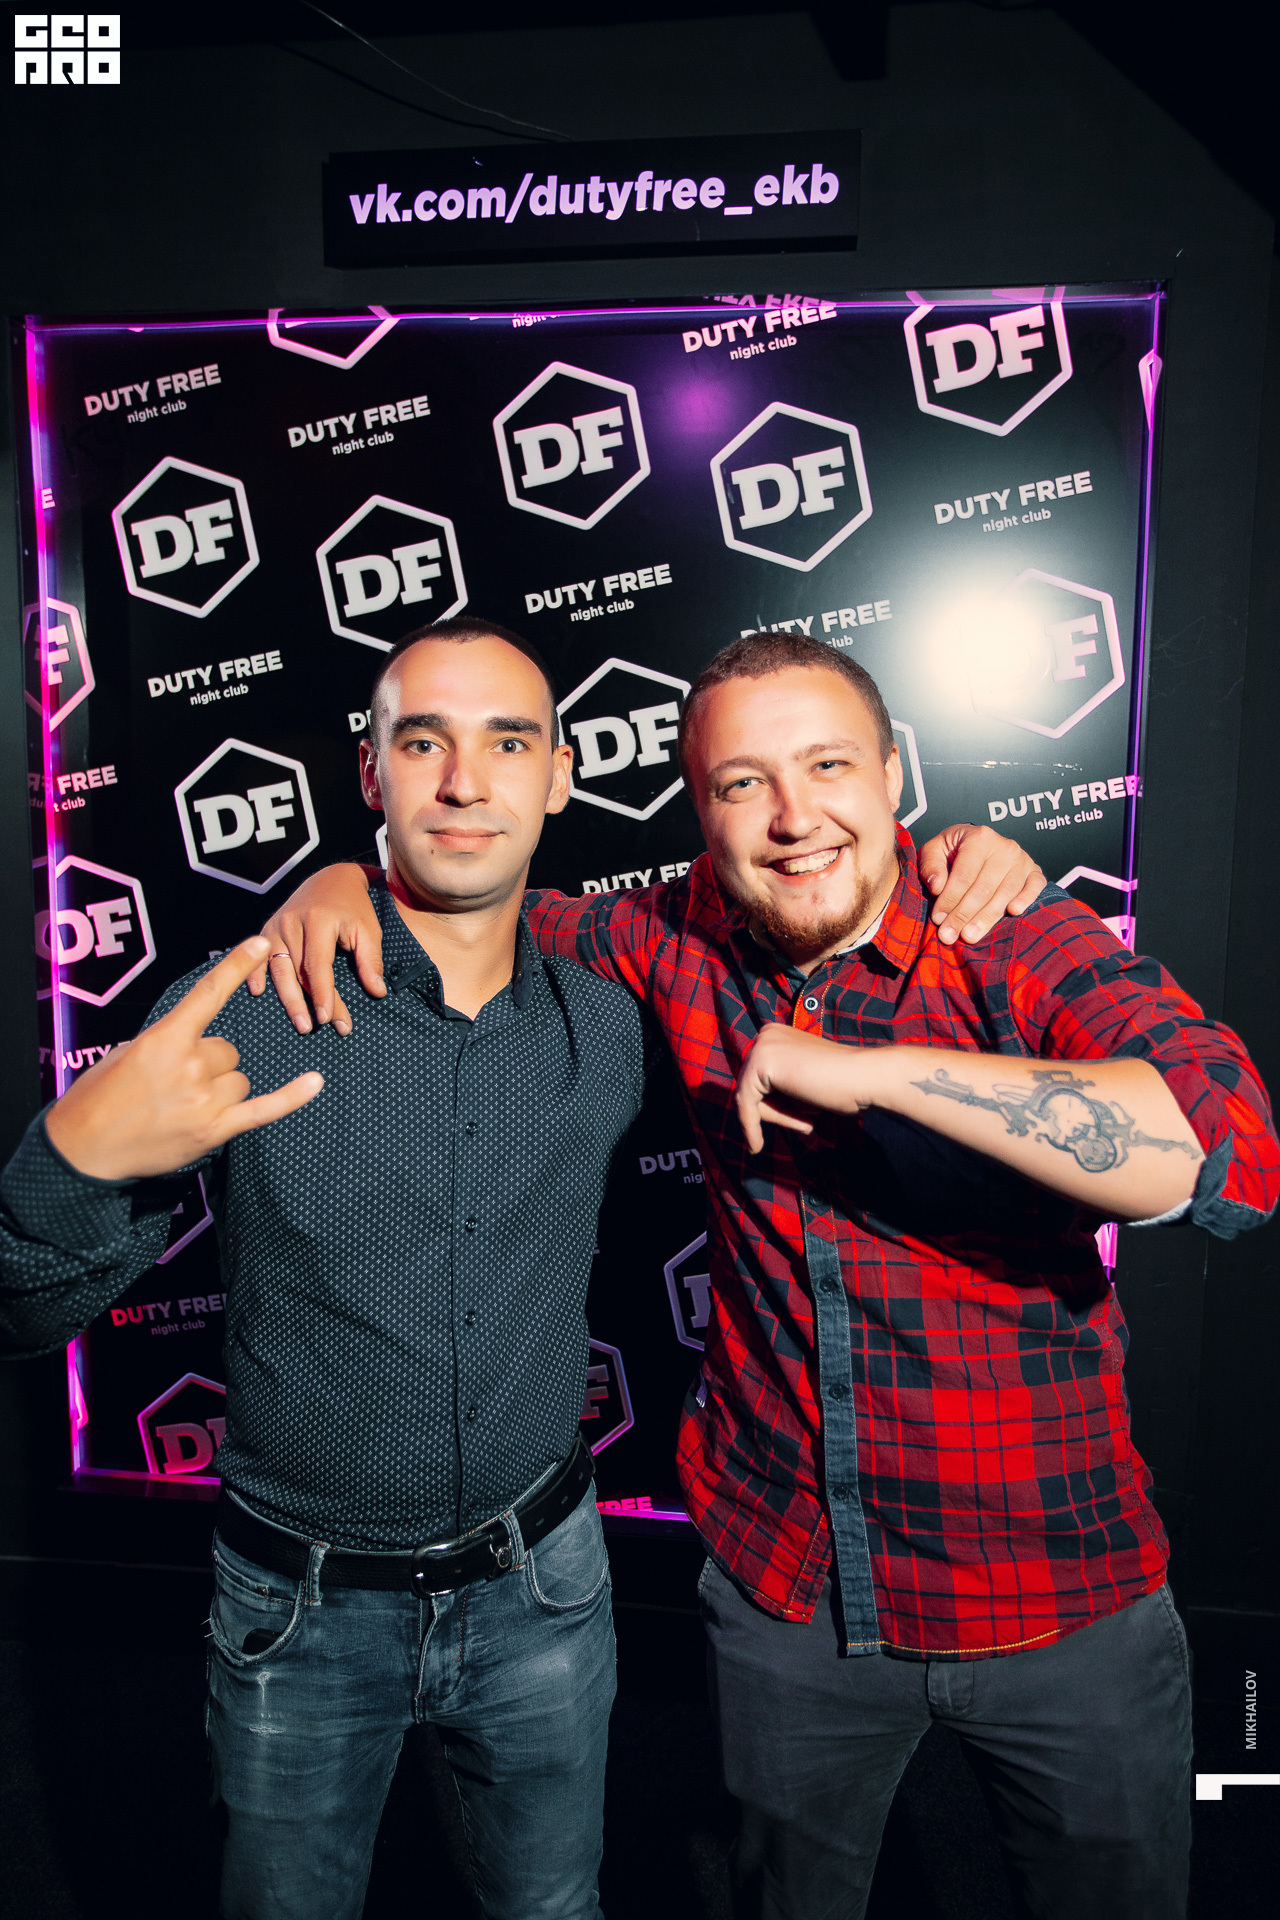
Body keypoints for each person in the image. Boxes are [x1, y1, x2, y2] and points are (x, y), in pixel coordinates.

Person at [0, 618, 1038, 1920]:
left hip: (544, 1589)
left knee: (552, 1908)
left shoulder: (610, 1011)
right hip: (297, 1610)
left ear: (558, 776)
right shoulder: (249, 1007)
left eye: (506, 743)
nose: (462, 782)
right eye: (421, 743)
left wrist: (958, 858)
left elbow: (803, 923)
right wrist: (68, 1160)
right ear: (369, 772)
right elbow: (26, 1312)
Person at [267, 628, 1279, 1920]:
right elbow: (479, 890)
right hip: (786, 1591)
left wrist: (876, 1075)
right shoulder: (675, 933)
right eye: (743, 783)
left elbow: (1228, 1155)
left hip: (1057, 1594)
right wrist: (346, 881)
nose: (795, 818)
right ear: (701, 812)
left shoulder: (1009, 935)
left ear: (895, 773)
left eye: (829, 766)